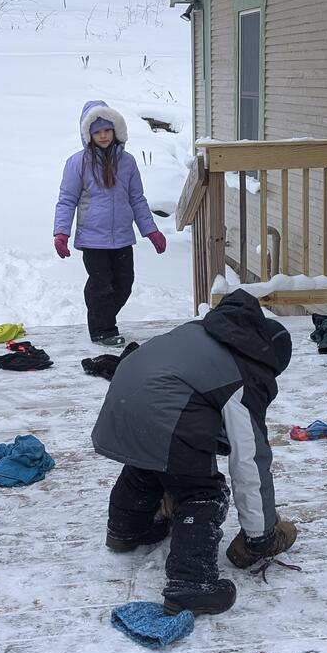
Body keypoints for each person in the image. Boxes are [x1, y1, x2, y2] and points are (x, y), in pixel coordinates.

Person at [92, 289, 299, 615]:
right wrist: (260, 537)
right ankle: (191, 584)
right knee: (202, 491)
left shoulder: (202, 332)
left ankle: (126, 530)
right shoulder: (243, 372)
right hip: (162, 409)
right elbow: (249, 460)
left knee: (151, 462)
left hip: (121, 399)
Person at [53, 99, 167, 347]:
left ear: (116, 130)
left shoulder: (127, 162)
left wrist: (152, 231)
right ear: (88, 134)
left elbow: (137, 199)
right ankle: (103, 330)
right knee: (101, 285)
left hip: (123, 238)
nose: (103, 136)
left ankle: (101, 317)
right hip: (93, 239)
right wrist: (61, 233)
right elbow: (66, 200)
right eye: (97, 132)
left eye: (107, 130)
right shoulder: (77, 163)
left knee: (124, 284)